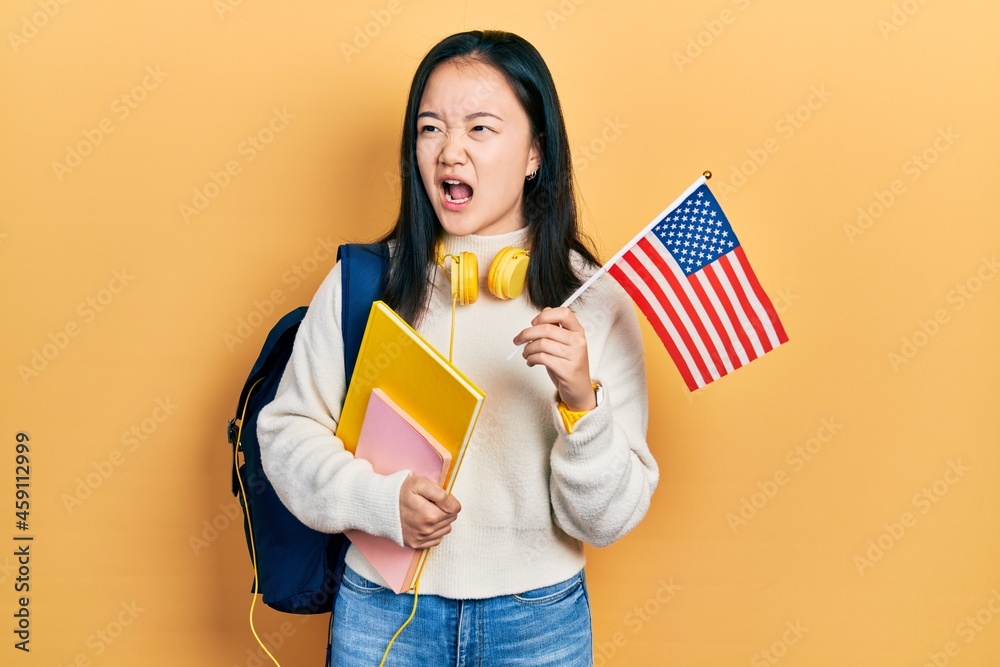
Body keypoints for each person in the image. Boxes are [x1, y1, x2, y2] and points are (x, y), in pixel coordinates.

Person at [258, 29, 658, 666]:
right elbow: (284, 435)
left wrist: (582, 404)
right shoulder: (365, 284)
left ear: (535, 154)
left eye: (480, 129)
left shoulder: (593, 301)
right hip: (383, 610)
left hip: (538, 622)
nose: (449, 152)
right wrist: (380, 503)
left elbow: (606, 521)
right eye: (431, 128)